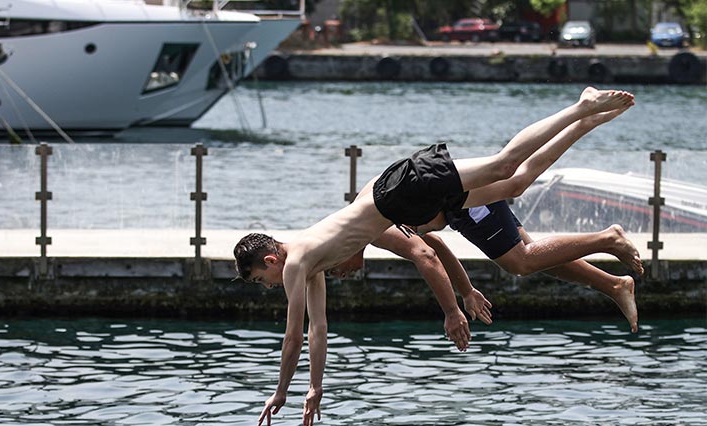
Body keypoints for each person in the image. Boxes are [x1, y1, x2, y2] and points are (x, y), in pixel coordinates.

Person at [233, 87, 638, 426]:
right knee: (516, 183)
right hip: (400, 198)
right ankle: (585, 121)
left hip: (397, 193)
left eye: (259, 281)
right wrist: (314, 388)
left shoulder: (297, 262)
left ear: (269, 261)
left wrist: (279, 391)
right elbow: (316, 331)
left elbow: (292, 338)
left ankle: (580, 107)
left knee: (504, 165)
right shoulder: (312, 266)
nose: (268, 287)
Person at [329, 101, 639, 333]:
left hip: (451, 197)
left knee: (520, 251)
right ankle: (613, 285)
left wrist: (452, 311)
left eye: (334, 270)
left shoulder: (370, 228)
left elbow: (426, 256)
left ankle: (608, 238)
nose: (340, 275)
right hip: (451, 206)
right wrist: (466, 290)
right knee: (538, 255)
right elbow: (434, 245)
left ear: (340, 251)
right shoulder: (367, 231)